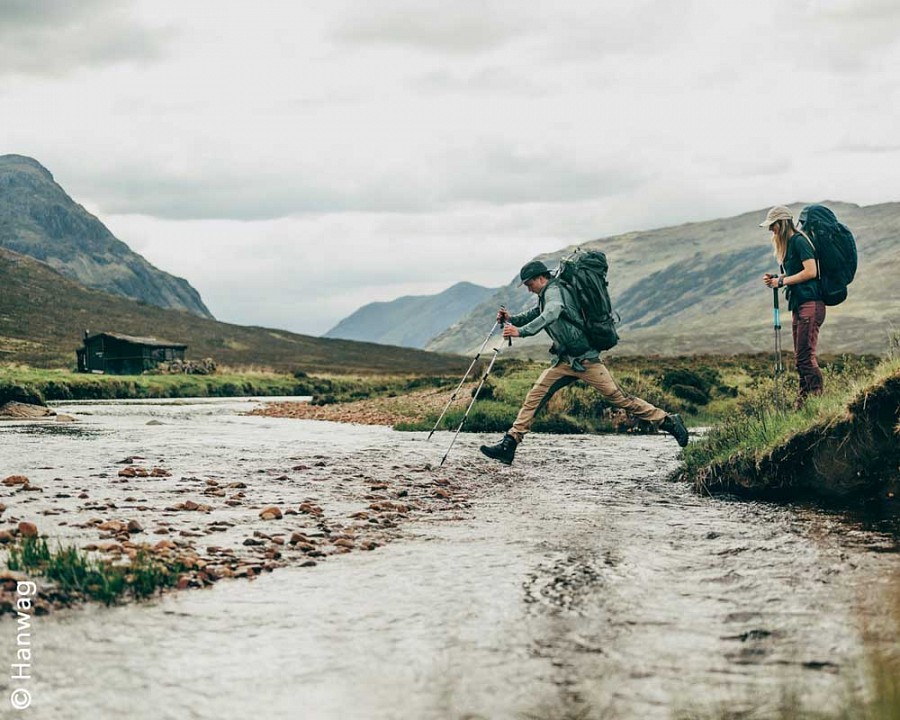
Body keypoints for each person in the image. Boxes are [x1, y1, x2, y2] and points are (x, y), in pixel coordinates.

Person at [479, 259, 689, 465]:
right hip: (565, 361)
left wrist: (521, 332)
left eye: (529, 284)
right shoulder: (546, 293)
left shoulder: (554, 292)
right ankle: (510, 443)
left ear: (541, 278)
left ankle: (668, 421)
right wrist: (512, 319)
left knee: (620, 399)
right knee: (535, 395)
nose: (528, 289)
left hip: (586, 361)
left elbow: (552, 312)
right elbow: (538, 313)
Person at [760, 205, 825, 404]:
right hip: (800, 304)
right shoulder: (789, 245)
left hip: (811, 304)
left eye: (773, 226)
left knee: (805, 357)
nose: (771, 230)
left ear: (782, 222)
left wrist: (781, 282)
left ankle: (816, 400)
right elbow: (796, 273)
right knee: (800, 358)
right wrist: (778, 277)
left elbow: (811, 271)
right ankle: (803, 402)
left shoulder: (798, 241)